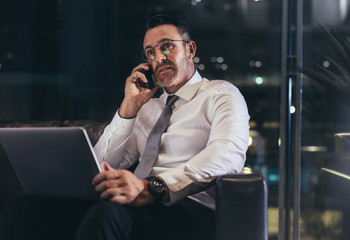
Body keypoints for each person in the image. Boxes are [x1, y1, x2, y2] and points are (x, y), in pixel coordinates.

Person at [0, 14, 249, 240]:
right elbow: (100, 166)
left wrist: (153, 186)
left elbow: (228, 154)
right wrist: (128, 108)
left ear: (190, 49)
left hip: (190, 207)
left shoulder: (220, 94)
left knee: (107, 215)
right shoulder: (148, 108)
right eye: (150, 52)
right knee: (24, 209)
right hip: (132, 203)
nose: (158, 58)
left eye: (167, 46)